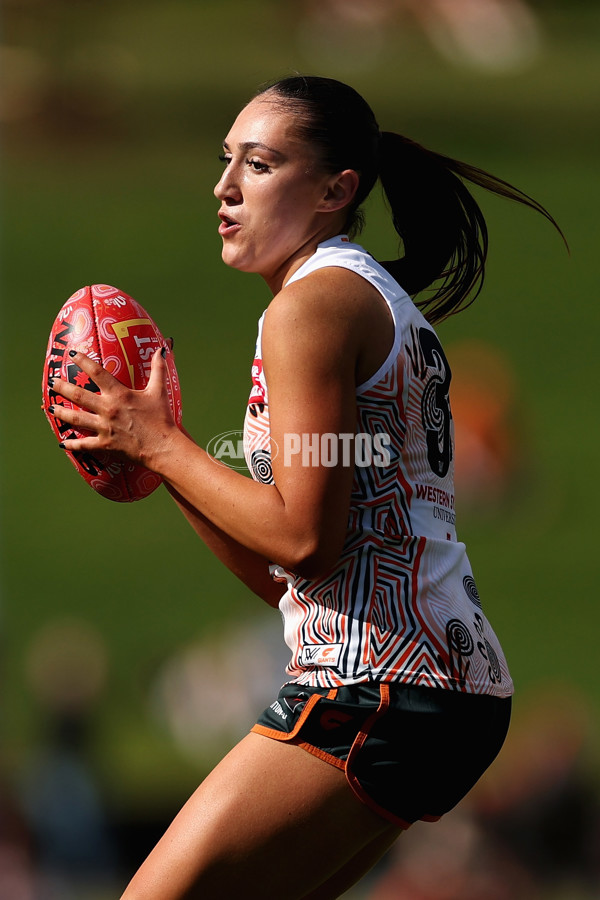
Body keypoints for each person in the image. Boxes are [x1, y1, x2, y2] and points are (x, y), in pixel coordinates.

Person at [48, 75, 564, 899]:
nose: (223, 188)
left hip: (383, 685)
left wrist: (165, 443)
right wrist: (160, 465)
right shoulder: (358, 296)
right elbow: (293, 573)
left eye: (257, 164)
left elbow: (300, 538)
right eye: (225, 162)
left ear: (337, 189)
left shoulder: (312, 308)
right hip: (438, 685)